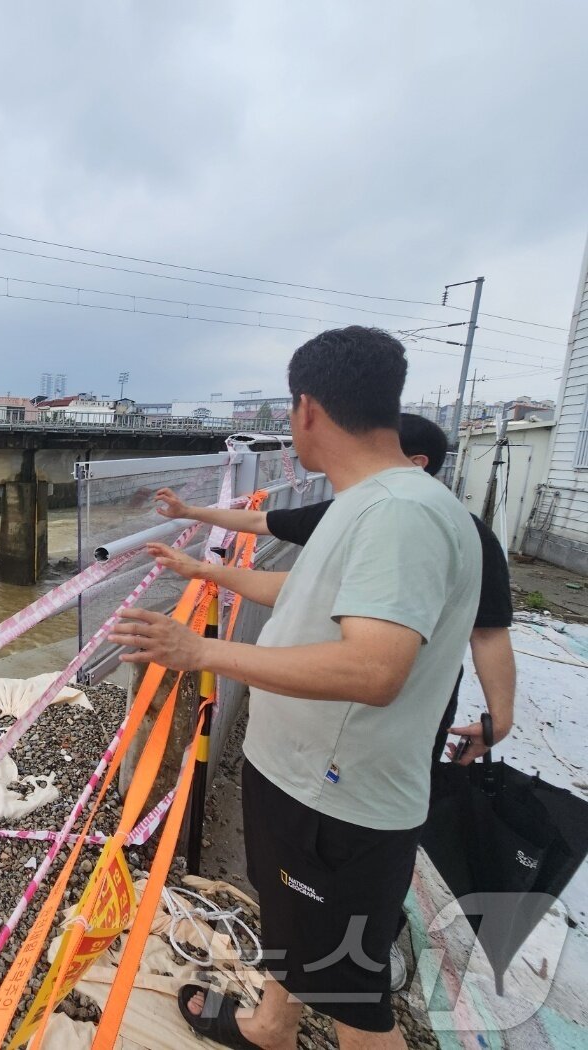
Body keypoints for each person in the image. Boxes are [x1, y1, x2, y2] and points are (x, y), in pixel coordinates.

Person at [108, 327, 481, 1050]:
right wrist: (205, 573)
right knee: (295, 929)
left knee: (354, 997)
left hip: (337, 806)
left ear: (306, 408)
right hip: (307, 787)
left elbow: (374, 669)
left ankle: (291, 1025)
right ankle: (271, 1026)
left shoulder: (400, 515)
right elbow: (307, 589)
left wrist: (202, 650)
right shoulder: (372, 500)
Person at [150, 412, 515, 772]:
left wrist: (499, 719)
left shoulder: (452, 533)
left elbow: (486, 631)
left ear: (417, 463)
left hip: (377, 748)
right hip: (309, 740)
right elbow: (268, 533)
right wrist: (192, 520)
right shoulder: (349, 512)